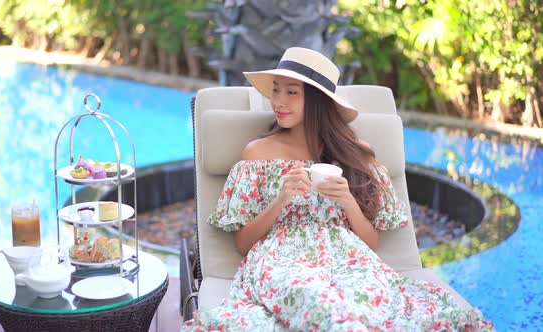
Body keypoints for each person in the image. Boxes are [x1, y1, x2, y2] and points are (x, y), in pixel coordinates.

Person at [182, 47, 493, 331]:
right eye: (276, 90)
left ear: (318, 100)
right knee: (318, 304)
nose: (278, 101)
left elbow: (371, 242)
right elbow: (242, 244)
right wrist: (280, 199)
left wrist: (347, 200)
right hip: (282, 262)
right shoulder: (257, 153)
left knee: (368, 307)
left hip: (351, 261)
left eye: (292, 92)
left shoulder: (356, 154)